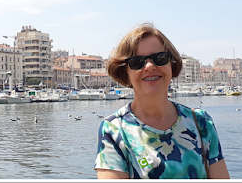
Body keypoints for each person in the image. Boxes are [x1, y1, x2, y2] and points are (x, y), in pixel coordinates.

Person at [94, 23, 230, 179]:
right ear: (126, 74)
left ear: (171, 65)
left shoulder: (201, 123)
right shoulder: (114, 130)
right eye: (137, 62)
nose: (150, 66)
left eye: (160, 58)